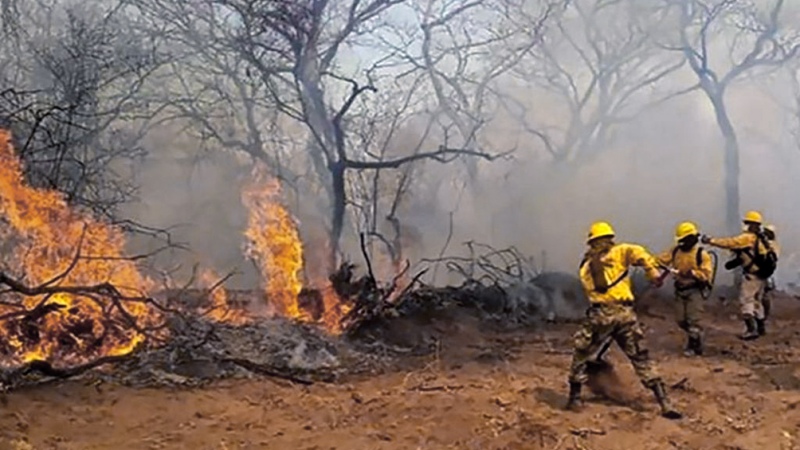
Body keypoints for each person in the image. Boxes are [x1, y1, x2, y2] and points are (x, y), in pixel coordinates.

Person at [566, 221, 682, 419]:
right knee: (640, 357)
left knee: (581, 353)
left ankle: (574, 399)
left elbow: (591, 291)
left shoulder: (586, 266)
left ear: (591, 242)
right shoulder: (621, 251)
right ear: (610, 238)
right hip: (625, 314)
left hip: (601, 315)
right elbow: (641, 254)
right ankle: (664, 403)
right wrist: (652, 273)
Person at [702, 211, 777, 340]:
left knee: (746, 300)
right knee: (757, 301)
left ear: (752, 224)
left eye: (747, 223)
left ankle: (751, 329)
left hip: (752, 276)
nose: (746, 225)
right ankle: (761, 327)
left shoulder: (748, 238)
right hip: (761, 275)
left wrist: (710, 240)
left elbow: (730, 243)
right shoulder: (762, 239)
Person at [657, 222, 714, 356]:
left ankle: (694, 345)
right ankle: (694, 337)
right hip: (680, 289)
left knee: (693, 320)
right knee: (681, 320)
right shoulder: (676, 251)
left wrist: (693, 274)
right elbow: (660, 259)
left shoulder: (701, 254)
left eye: (684, 240)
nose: (682, 243)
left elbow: (706, 275)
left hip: (695, 290)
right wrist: (647, 262)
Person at [762, 224, 780, 321]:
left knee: (764, 295)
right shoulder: (761, 243)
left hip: (768, 272)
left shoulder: (773, 245)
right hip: (762, 271)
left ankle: (765, 314)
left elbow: (774, 257)